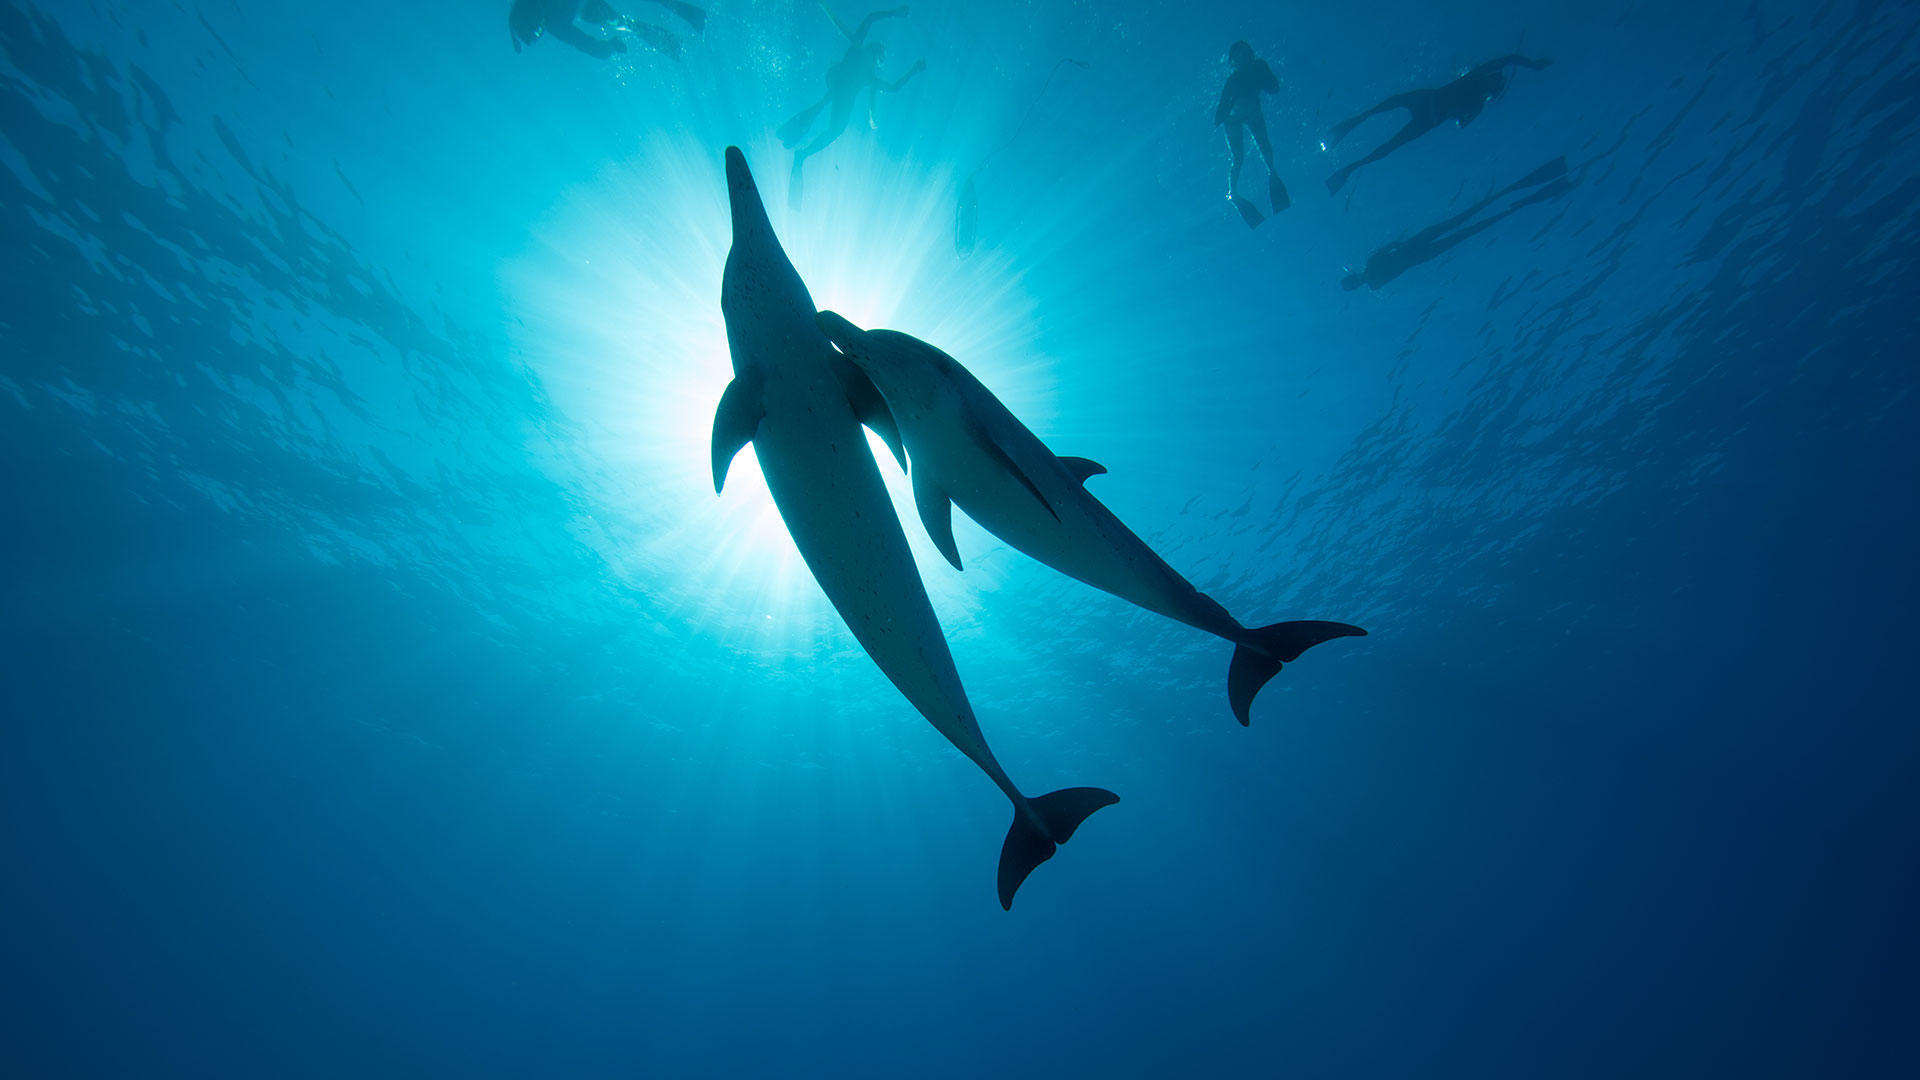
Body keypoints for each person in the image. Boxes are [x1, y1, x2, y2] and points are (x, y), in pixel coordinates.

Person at [1324, 54, 1552, 194]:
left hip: (1429, 109)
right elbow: (1509, 58)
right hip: (1430, 107)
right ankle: (1345, 140)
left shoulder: (1477, 91)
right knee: (1388, 120)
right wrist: (1531, 64)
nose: (1492, 83)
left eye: (1495, 85)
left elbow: (1463, 123)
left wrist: (1531, 65)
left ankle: (1347, 165)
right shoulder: (1478, 91)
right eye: (1495, 81)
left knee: (1389, 140)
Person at [1341, 157, 1570, 290]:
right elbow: (1392, 245)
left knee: (1472, 228)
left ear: (1356, 285)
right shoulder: (1370, 263)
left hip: (1422, 254)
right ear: (1352, 276)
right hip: (1417, 244)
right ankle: (1525, 187)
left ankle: (1528, 199)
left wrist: (1402, 254)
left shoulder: (1375, 283)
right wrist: (1401, 248)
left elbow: (1399, 269)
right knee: (1468, 216)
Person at [781, 4, 926, 209]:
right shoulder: (862, 56)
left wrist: (913, 70)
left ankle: (804, 146)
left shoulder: (867, 68)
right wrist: (913, 69)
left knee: (837, 124)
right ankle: (807, 138)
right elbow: (868, 18)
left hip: (838, 86)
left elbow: (892, 87)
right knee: (836, 111)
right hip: (838, 79)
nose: (876, 57)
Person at [1214, 41, 1289, 228]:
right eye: (1240, 56)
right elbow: (1218, 117)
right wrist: (1230, 102)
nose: (1245, 58)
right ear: (1234, 62)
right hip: (1233, 121)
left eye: (1246, 54)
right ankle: (1233, 192)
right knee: (1238, 158)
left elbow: (1274, 88)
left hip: (1253, 111)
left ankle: (1272, 173)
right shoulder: (1233, 82)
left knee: (1265, 147)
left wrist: (1263, 78)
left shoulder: (1259, 67)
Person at [507, 0, 704, 61]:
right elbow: (584, 43)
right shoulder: (554, 25)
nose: (541, 28)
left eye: (535, 27)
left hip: (586, 7)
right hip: (587, 7)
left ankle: (688, 15)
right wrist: (608, 46)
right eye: (538, 32)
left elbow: (583, 43)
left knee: (618, 21)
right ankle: (671, 40)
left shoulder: (552, 21)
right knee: (620, 22)